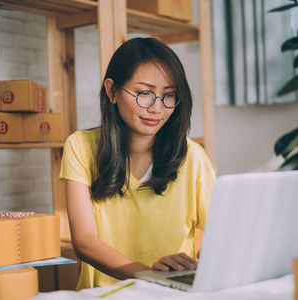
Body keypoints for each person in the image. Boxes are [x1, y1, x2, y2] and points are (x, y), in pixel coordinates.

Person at [59, 37, 216, 290]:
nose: (157, 108)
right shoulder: (81, 147)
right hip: (105, 294)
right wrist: (151, 275)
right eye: (145, 93)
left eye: (169, 95)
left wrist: (204, 263)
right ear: (112, 91)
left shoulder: (192, 156)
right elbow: (84, 242)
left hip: (171, 295)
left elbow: (221, 234)